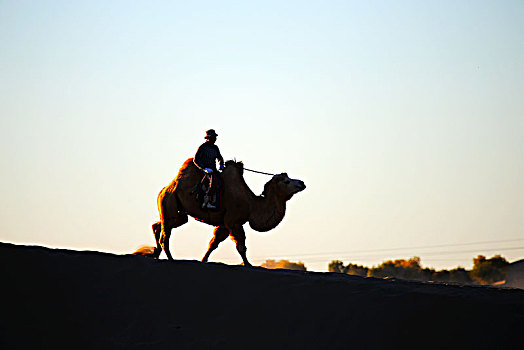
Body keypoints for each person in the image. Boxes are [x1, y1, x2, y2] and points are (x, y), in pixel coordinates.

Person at [193, 129, 224, 209]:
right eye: (214, 137)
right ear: (209, 138)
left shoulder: (215, 148)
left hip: (213, 170)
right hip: (204, 171)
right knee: (213, 181)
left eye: (215, 137)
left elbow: (220, 158)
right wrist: (204, 168)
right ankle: (207, 201)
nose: (215, 139)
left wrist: (221, 164)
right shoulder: (203, 147)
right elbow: (196, 160)